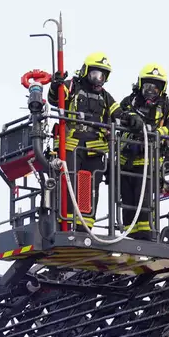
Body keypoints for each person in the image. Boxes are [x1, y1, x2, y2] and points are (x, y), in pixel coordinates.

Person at [116, 64, 169, 240]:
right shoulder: (128, 102)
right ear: (140, 85)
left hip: (149, 163)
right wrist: (131, 118)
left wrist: (159, 133)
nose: (150, 91)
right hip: (125, 162)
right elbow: (116, 116)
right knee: (127, 202)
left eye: (155, 87)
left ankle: (147, 236)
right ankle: (129, 236)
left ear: (162, 89)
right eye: (147, 86)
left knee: (144, 202)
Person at [56, 52, 119, 231]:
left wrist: (131, 119)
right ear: (86, 71)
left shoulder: (105, 97)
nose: (99, 79)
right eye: (95, 74)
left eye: (102, 76)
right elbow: (55, 99)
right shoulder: (71, 86)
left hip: (95, 149)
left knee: (91, 187)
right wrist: (55, 85)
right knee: (69, 182)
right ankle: (66, 222)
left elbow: (118, 113)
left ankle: (85, 226)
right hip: (71, 144)